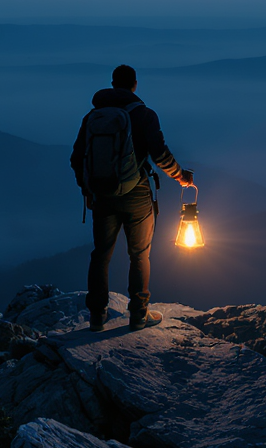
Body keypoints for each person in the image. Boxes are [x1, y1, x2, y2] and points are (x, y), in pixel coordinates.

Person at [70, 64, 193, 332]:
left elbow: (77, 158)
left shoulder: (92, 116)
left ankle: (96, 316)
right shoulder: (145, 115)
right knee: (139, 255)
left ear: (113, 84)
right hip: (136, 193)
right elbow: (160, 155)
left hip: (102, 195)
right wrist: (181, 176)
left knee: (100, 255)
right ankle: (138, 315)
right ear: (134, 84)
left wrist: (87, 189)